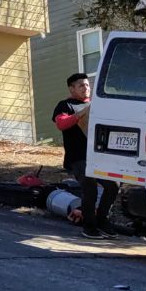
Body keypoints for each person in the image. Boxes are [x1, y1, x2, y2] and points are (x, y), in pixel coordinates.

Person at [52, 72, 119, 240]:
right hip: (78, 158)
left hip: (99, 157)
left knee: (112, 186)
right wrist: (80, 114)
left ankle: (102, 221)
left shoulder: (96, 104)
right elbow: (61, 123)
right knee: (89, 188)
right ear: (71, 88)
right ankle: (89, 227)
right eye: (81, 85)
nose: (86, 88)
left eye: (88, 85)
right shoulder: (65, 104)